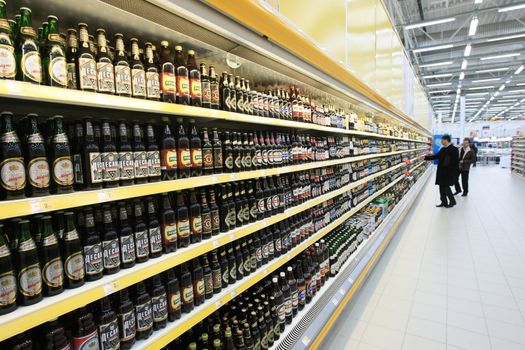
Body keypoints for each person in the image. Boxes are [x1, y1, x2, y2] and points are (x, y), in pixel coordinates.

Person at [424, 134, 459, 208]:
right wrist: (425, 157)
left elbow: (455, 162)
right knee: (441, 187)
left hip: (448, 173)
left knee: (446, 187)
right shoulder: (443, 149)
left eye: (442, 140)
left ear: (446, 140)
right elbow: (436, 156)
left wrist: (451, 172)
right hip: (441, 172)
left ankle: (452, 201)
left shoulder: (454, 149)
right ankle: (443, 202)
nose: (441, 142)